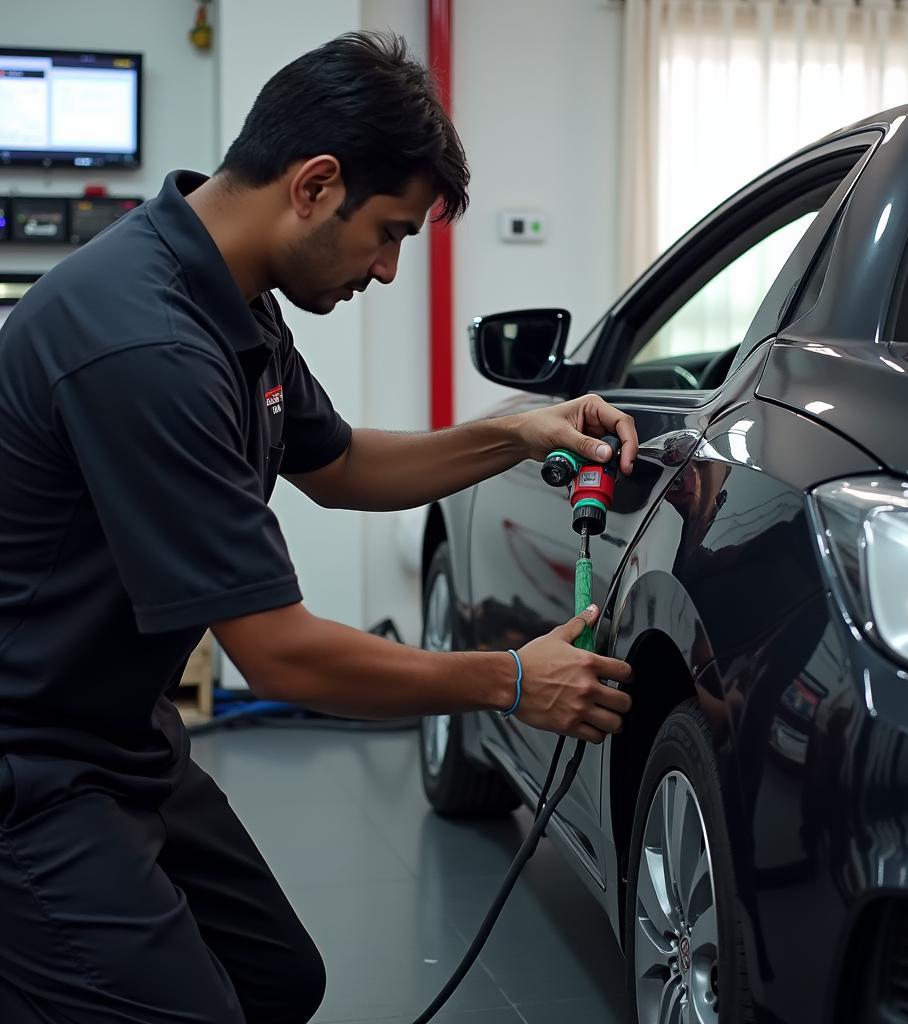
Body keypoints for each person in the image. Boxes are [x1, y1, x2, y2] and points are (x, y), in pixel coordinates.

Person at [0, 30, 637, 1024]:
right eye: (388, 232)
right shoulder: (146, 343)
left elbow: (338, 466)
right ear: (313, 185)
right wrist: (510, 680)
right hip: (29, 763)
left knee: (278, 981)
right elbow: (284, 660)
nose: (387, 269)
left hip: (119, 733)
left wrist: (517, 435)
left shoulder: (234, 298)